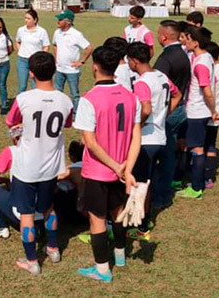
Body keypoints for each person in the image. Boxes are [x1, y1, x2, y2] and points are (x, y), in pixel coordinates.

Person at [74, 46, 141, 283]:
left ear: (95, 67)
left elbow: (90, 142)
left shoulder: (89, 99)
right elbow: (136, 137)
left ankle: (102, 269)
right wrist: (126, 168)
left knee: (97, 219)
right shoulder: (131, 96)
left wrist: (114, 166)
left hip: (98, 171)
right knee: (118, 212)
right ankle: (120, 256)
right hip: (122, 169)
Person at [4, 51, 73, 275]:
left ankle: (32, 260)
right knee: (49, 208)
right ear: (54, 70)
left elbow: (10, 121)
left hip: (27, 167)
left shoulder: (24, 98)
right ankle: (53, 248)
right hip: (51, 167)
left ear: (31, 73)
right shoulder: (65, 100)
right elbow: (67, 123)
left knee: (26, 214)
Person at [125, 41, 181, 241]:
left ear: (134, 61)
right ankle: (143, 220)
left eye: (129, 61)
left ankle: (140, 226)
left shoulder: (142, 82)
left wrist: (136, 125)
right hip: (160, 137)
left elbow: (146, 108)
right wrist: (164, 115)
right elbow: (177, 94)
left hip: (146, 139)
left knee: (140, 184)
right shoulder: (161, 76)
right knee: (147, 182)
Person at [175, 26, 219, 200]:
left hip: (197, 111)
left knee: (197, 149)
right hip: (197, 110)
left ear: (196, 42)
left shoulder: (201, 64)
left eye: (187, 39)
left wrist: (213, 110)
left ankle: (196, 188)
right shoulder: (204, 56)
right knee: (193, 146)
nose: (184, 41)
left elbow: (207, 91)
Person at [151, 20, 191, 208]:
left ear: (164, 36)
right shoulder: (183, 54)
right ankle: (166, 191)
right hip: (180, 107)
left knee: (159, 155)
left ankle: (158, 196)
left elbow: (157, 86)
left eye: (158, 33)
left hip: (168, 110)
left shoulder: (166, 58)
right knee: (169, 153)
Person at [52, 9, 92, 111]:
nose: (58, 22)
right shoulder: (57, 33)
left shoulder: (76, 34)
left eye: (60, 20)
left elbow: (89, 48)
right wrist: (56, 59)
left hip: (72, 71)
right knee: (57, 92)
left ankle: (76, 114)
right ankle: (59, 111)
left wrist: (82, 61)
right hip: (59, 69)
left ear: (68, 21)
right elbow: (55, 45)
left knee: (74, 94)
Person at [204, 41, 219, 188]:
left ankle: (207, 176)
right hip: (217, 111)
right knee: (210, 143)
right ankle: (208, 176)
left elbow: (209, 93)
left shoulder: (214, 70)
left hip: (211, 113)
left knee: (208, 145)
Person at [15, 9, 50, 94]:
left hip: (36, 62)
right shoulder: (21, 30)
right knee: (22, 86)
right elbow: (17, 41)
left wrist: (41, 58)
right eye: (25, 18)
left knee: (35, 86)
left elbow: (46, 46)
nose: (26, 20)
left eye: (28, 18)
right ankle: (20, 102)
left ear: (35, 20)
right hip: (22, 61)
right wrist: (20, 50)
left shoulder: (42, 31)